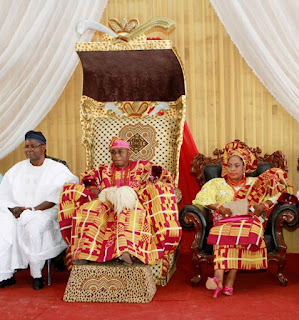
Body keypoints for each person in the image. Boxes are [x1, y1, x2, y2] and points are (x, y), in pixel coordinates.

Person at [58, 137, 181, 271]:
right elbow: (88, 180)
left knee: (129, 214)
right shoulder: (102, 170)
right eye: (113, 152)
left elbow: (163, 178)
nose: (116, 156)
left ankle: (127, 252)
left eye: (120, 152)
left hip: (133, 204)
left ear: (129, 152)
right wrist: (98, 191)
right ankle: (84, 252)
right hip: (106, 204)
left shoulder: (143, 166)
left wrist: (141, 193)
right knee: (90, 209)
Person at [192, 141, 293, 298]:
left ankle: (228, 279)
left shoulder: (256, 183)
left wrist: (263, 206)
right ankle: (220, 276)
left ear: (245, 167)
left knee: (242, 231)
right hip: (225, 220)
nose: (232, 169)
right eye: (229, 165)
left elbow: (278, 194)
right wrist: (220, 208)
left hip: (250, 220)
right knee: (226, 231)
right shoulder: (216, 183)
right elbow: (201, 199)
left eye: (237, 165)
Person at [0, 130, 78, 290]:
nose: (29, 150)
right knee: (3, 224)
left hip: (46, 211)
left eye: (33, 146)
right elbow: (5, 194)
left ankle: (37, 275)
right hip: (18, 212)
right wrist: (14, 209)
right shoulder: (17, 169)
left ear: (43, 147)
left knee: (33, 227)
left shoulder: (56, 169)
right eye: (27, 147)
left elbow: (57, 196)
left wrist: (32, 209)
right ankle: (5, 275)